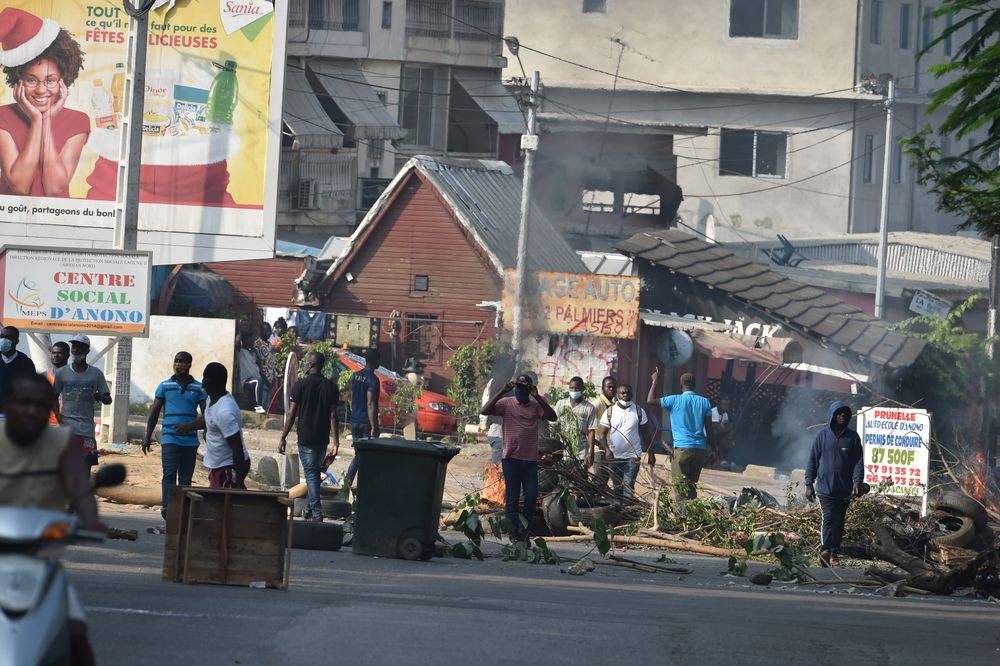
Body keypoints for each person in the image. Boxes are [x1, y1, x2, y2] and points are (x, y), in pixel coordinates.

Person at [0, 373, 105, 666]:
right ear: (8, 403)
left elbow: (80, 489)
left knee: (76, 631)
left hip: (41, 562)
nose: (30, 410)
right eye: (23, 402)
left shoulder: (63, 442)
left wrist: (89, 519)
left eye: (39, 403)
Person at [0, 8, 89, 197]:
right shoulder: (3, 117)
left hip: (59, 220)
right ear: (18, 81)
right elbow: (19, 186)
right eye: (31, 80)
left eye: (50, 81)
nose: (41, 90)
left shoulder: (79, 121)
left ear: (63, 80)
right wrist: (36, 122)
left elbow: (54, 188)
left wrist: (46, 122)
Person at [481, 374, 557, 542]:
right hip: (510, 458)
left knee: (531, 496)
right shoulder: (506, 404)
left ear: (530, 389)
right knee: (512, 498)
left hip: (530, 460)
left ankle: (526, 531)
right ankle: (515, 533)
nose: (520, 391)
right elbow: (484, 410)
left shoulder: (536, 405)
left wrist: (537, 397)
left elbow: (552, 417)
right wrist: (502, 391)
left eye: (524, 388)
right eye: (518, 388)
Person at [142, 351, 207, 517]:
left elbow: (207, 413)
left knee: (186, 478)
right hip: (170, 438)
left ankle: (183, 510)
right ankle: (167, 508)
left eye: (183, 361)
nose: (179, 364)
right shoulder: (164, 386)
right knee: (169, 474)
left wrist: (206, 430)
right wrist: (147, 437)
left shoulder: (199, 388)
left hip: (191, 441)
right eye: (177, 361)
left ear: (190, 364)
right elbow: (154, 413)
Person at [279, 351, 340, 520]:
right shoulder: (331, 387)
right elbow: (334, 415)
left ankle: (317, 511)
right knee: (313, 473)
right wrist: (336, 441)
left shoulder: (300, 385)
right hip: (322, 438)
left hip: (305, 437)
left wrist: (283, 437)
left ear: (311, 365)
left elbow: (291, 414)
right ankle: (308, 509)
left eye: (307, 362)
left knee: (311, 473)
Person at [804, 401, 864, 567]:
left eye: (845, 413)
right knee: (828, 519)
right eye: (839, 413)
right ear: (832, 415)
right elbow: (812, 461)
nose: (842, 416)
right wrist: (809, 484)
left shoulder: (852, 438)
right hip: (825, 489)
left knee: (839, 521)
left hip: (844, 490)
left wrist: (858, 481)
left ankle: (834, 552)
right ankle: (825, 550)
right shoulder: (822, 436)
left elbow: (858, 462)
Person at [647, 369, 715, 509]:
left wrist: (654, 381)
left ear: (681, 385)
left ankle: (681, 517)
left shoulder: (674, 400)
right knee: (691, 485)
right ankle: (692, 514)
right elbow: (709, 429)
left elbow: (650, 400)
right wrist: (713, 449)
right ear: (695, 385)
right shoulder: (705, 402)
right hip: (700, 449)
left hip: (682, 448)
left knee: (679, 486)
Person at [178, 362, 250, 489]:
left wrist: (238, 482)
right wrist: (188, 426)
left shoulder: (225, 411)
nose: (202, 382)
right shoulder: (211, 399)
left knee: (220, 505)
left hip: (228, 468)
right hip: (217, 466)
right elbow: (207, 418)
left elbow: (237, 448)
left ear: (208, 381)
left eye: (203, 378)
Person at [53, 334, 111, 472]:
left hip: (86, 429)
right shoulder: (62, 373)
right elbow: (52, 396)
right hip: (67, 428)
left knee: (85, 467)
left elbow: (108, 399)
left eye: (80, 347)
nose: (76, 350)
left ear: (87, 351)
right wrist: (58, 416)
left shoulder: (96, 374)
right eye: (74, 347)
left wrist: (100, 396)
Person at [598, 384, 653, 500]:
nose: (626, 395)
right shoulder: (610, 412)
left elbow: (646, 434)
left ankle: (627, 512)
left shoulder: (639, 411)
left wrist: (651, 453)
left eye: (628, 393)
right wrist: (607, 450)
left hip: (633, 457)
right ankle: (618, 513)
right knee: (617, 487)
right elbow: (602, 434)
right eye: (623, 393)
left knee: (628, 487)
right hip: (614, 457)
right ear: (617, 395)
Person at [346, 348, 381, 485]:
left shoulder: (355, 376)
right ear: (377, 361)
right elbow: (370, 403)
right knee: (363, 456)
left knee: (359, 455)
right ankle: (349, 483)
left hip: (354, 421)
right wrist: (374, 426)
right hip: (366, 423)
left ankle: (358, 484)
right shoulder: (373, 380)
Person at [554, 376, 598, 464]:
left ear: (583, 389)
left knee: (579, 476)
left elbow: (591, 431)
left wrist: (591, 453)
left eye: (577, 388)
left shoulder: (589, 407)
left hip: (581, 453)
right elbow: (555, 427)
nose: (574, 391)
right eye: (571, 388)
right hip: (563, 452)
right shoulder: (561, 404)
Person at [589, 376, 617, 488]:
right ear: (602, 388)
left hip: (610, 448)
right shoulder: (597, 404)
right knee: (599, 482)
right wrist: (597, 443)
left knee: (606, 481)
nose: (611, 389)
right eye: (609, 387)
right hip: (599, 450)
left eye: (614, 387)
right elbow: (588, 427)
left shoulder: (614, 404)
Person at [0, 324, 37, 408]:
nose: (3, 340)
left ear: (17, 341)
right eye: (1, 337)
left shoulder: (26, 362)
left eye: (8, 337)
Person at [238, 331, 268, 413]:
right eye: (250, 339)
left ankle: (254, 409)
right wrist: (240, 329)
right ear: (244, 340)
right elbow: (237, 342)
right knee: (259, 380)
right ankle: (259, 406)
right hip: (247, 381)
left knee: (252, 403)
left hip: (256, 381)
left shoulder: (253, 353)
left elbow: (259, 368)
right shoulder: (240, 352)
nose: (252, 342)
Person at [45, 340, 69, 425]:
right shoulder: (44, 377)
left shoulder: (74, 376)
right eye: (53, 353)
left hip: (69, 424)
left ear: (68, 355)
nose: (56, 355)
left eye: (60, 353)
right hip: (47, 425)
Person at [253, 322, 277, 405]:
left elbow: (271, 363)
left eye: (269, 330)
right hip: (263, 380)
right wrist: (266, 381)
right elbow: (258, 365)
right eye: (265, 330)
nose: (268, 333)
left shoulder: (269, 344)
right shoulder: (257, 344)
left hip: (271, 380)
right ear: (260, 331)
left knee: (267, 406)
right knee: (261, 406)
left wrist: (274, 378)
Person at [712, 396, 735, 467]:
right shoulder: (714, 411)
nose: (725, 407)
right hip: (708, 434)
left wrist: (730, 434)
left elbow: (729, 427)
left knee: (729, 438)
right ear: (718, 404)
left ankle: (727, 460)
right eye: (723, 404)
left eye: (727, 405)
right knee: (724, 437)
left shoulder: (725, 414)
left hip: (718, 435)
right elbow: (718, 428)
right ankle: (722, 460)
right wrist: (727, 430)